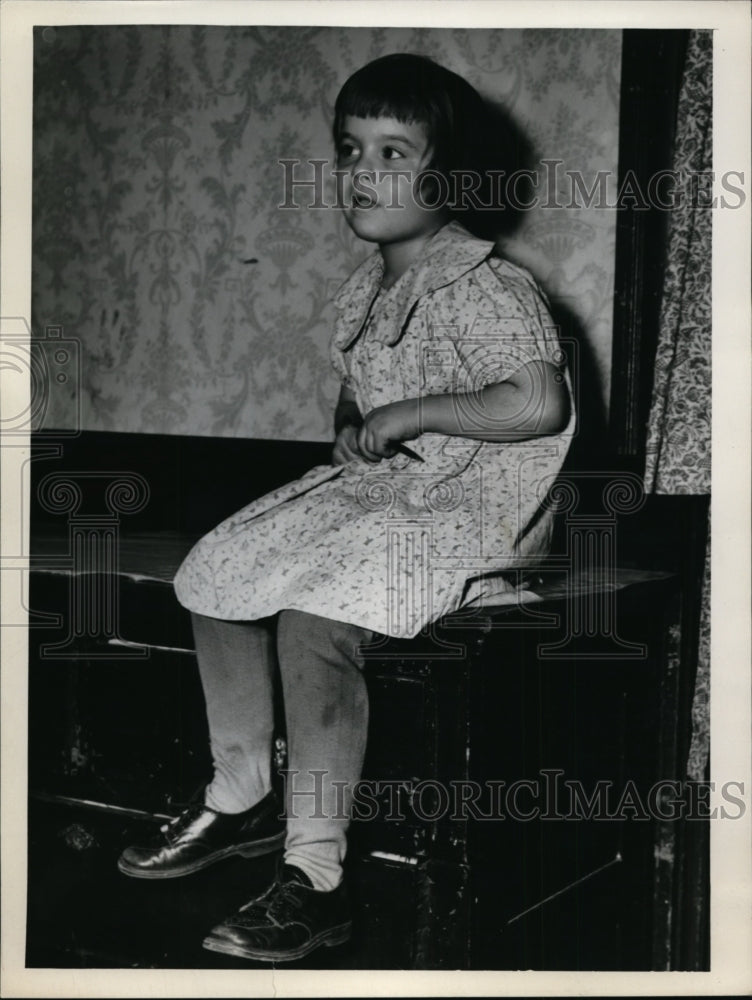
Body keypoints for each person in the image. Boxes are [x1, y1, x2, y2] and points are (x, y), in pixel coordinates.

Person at [117, 53, 575, 963]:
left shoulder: (484, 283)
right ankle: (240, 788)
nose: (364, 175)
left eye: (394, 154)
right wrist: (356, 428)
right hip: (394, 497)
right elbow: (365, 394)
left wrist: (409, 415)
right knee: (216, 568)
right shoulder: (367, 290)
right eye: (350, 151)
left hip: (478, 511)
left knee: (315, 614)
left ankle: (314, 880)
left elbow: (538, 404)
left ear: (453, 173)